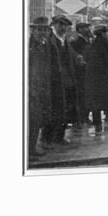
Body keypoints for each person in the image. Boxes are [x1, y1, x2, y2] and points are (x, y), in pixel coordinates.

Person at [41, 14, 77, 146]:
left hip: (67, 82)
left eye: (65, 26)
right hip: (54, 82)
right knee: (53, 110)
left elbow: (71, 58)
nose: (62, 28)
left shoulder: (64, 40)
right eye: (59, 25)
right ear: (53, 26)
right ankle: (47, 138)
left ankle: (58, 136)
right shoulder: (49, 41)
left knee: (65, 110)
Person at [27, 17, 51, 158]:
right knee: (32, 120)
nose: (42, 32)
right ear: (33, 30)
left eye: (45, 30)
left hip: (41, 88)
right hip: (31, 90)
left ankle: (31, 148)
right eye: (39, 29)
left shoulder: (43, 44)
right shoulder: (29, 45)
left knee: (37, 120)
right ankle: (29, 150)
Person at [69, 22, 93, 127]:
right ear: (79, 30)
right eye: (85, 28)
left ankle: (85, 117)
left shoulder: (88, 41)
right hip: (80, 73)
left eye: (88, 27)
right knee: (80, 97)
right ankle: (79, 119)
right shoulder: (76, 42)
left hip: (88, 73)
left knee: (87, 96)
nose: (88, 29)